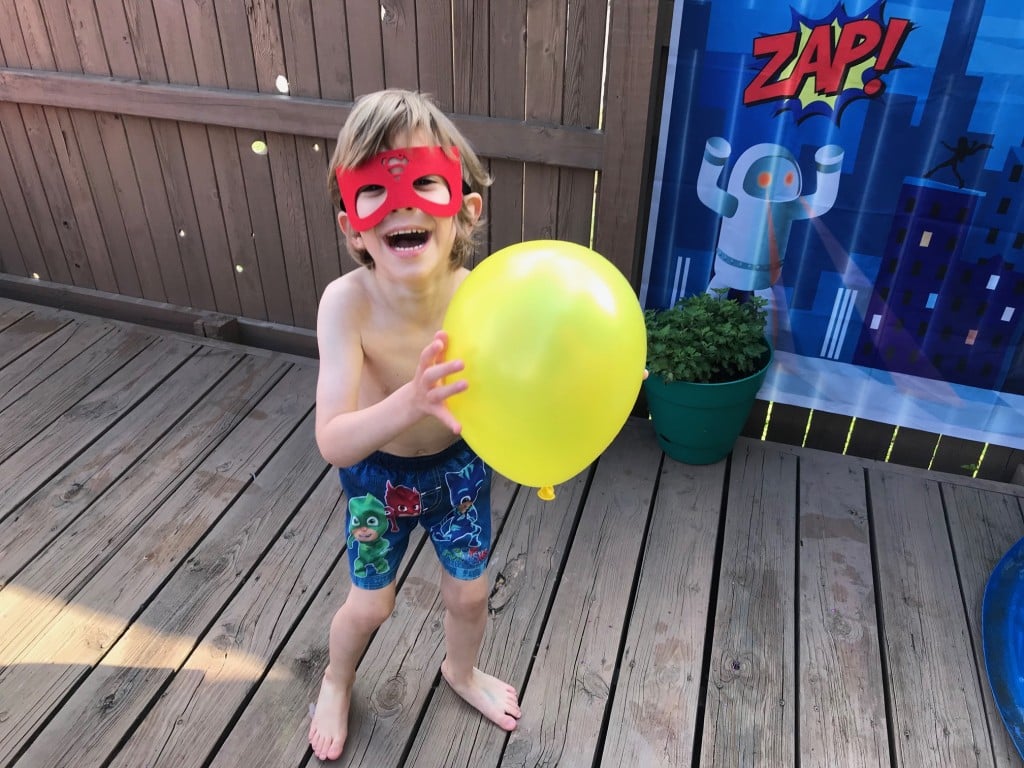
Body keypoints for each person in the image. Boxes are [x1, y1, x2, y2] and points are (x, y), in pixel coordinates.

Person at [308, 89, 521, 762]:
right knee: (371, 607)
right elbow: (332, 439)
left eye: (423, 180)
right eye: (376, 188)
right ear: (353, 227)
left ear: (465, 209)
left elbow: (528, 369)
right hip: (378, 476)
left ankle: (460, 672)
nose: (402, 203)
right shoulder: (348, 305)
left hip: (458, 468)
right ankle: (336, 679)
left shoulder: (481, 292)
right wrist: (408, 402)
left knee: (470, 593)